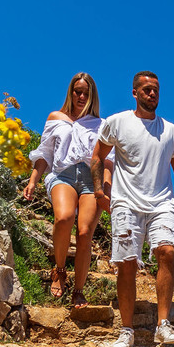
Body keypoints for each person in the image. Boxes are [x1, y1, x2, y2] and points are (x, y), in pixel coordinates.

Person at [90, 71, 174, 347]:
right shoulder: (118, 122)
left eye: (156, 90)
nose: (152, 94)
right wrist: (99, 190)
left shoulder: (170, 130)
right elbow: (97, 156)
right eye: (147, 90)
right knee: (126, 264)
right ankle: (127, 331)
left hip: (161, 202)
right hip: (126, 201)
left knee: (167, 251)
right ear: (135, 93)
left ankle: (163, 325)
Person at [23, 73, 106, 303]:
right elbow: (45, 154)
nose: (81, 96)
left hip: (91, 180)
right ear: (70, 92)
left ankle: (78, 290)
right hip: (63, 175)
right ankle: (59, 270)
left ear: (92, 96)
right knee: (64, 218)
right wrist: (33, 181)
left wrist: (105, 190)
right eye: (77, 91)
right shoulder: (56, 117)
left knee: (84, 232)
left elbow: (107, 161)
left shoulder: (102, 125)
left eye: (86, 93)